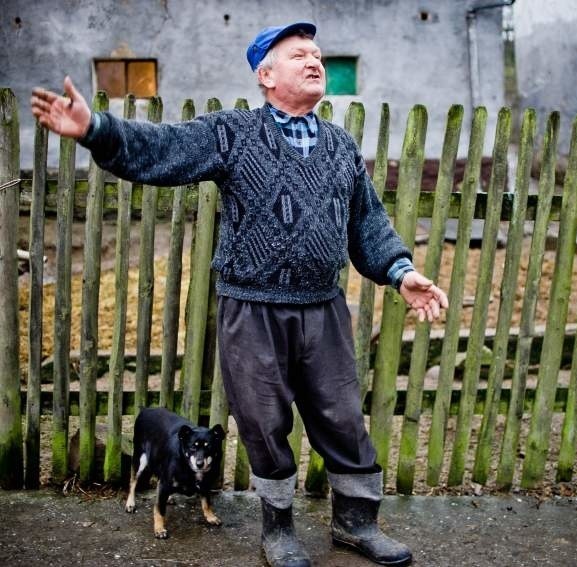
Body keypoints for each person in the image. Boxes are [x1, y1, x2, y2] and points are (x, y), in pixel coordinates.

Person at [32, 21, 448, 567]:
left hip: (322, 310)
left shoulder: (341, 146)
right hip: (251, 310)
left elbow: (367, 223)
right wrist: (97, 130)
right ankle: (278, 531)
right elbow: (165, 148)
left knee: (344, 416)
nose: (314, 60)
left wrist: (400, 272)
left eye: (318, 54)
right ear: (266, 75)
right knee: (263, 422)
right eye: (299, 54)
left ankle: (357, 524)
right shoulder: (233, 134)